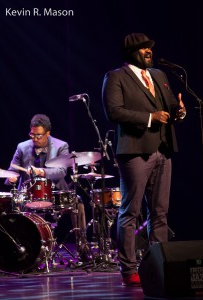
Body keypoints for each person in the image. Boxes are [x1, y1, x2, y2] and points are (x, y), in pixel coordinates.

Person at [102, 33, 186, 286]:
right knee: (131, 211)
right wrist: (150, 118)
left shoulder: (159, 75)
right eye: (143, 49)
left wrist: (178, 111)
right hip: (135, 151)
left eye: (150, 48)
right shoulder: (116, 76)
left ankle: (159, 264)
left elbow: (169, 106)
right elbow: (114, 112)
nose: (149, 51)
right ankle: (128, 269)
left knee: (160, 212)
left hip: (163, 149)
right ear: (131, 52)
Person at [5, 114, 89, 260]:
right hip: (28, 194)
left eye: (38, 135)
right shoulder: (22, 147)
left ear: (48, 133)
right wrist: (10, 178)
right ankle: (22, 251)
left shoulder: (61, 145)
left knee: (78, 202)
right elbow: (12, 169)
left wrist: (41, 172)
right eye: (32, 134)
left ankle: (82, 247)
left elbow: (61, 171)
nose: (34, 138)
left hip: (55, 191)